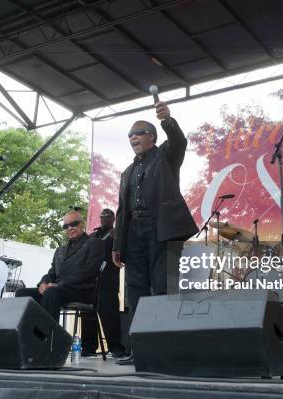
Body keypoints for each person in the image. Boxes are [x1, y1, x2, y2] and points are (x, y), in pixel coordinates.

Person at [112, 101, 198, 363]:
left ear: (152, 137)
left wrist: (167, 120)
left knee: (162, 287)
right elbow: (121, 209)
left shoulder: (165, 156)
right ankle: (139, 348)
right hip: (134, 231)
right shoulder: (127, 172)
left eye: (138, 132)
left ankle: (163, 346)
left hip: (161, 229)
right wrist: (117, 244)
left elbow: (179, 141)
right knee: (135, 289)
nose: (133, 137)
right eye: (129, 134)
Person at [15, 210, 104, 324]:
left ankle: (48, 337)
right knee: (22, 293)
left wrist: (59, 284)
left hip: (81, 291)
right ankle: (26, 334)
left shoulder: (95, 243)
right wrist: (43, 283)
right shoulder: (60, 250)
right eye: (66, 226)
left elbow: (89, 271)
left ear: (82, 223)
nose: (70, 228)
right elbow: (52, 273)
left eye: (74, 224)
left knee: (51, 292)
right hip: (57, 290)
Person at [82, 209, 126, 358]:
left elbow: (122, 256)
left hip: (109, 281)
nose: (104, 218)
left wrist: (117, 240)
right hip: (90, 281)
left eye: (108, 216)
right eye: (102, 216)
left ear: (113, 219)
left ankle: (115, 347)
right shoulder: (92, 235)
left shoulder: (117, 235)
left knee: (110, 314)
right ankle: (88, 347)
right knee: (87, 312)